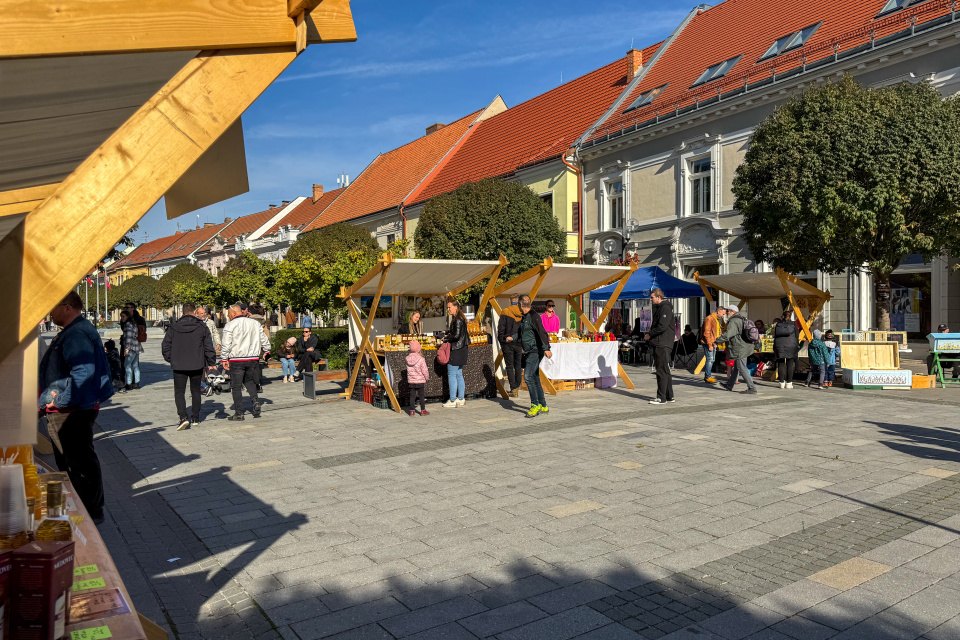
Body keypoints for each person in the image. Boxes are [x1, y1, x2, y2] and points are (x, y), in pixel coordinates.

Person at [39, 291, 113, 524]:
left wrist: (59, 401)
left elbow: (83, 373)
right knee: (75, 461)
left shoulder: (77, 333)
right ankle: (85, 509)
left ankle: (89, 513)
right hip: (71, 409)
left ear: (67, 307)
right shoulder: (75, 331)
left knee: (78, 463)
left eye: (53, 307)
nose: (50, 313)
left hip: (71, 411)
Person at [161, 303, 217, 430]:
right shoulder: (202, 326)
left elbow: (165, 346)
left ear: (182, 312)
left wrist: (171, 359)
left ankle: (183, 417)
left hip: (179, 364)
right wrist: (211, 362)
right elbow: (209, 346)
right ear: (194, 312)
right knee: (196, 390)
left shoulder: (174, 327)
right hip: (197, 363)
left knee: (179, 392)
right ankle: (196, 417)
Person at [221, 304, 271, 420]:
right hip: (253, 358)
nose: (228, 316)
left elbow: (226, 344)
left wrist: (224, 359)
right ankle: (255, 401)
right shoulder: (255, 323)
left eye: (229, 314)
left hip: (237, 359)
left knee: (236, 386)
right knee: (249, 381)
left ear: (234, 313)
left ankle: (239, 413)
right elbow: (264, 339)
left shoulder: (230, 325)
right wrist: (267, 350)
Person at [518, 295, 552, 417]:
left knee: (527, 376)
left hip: (535, 351)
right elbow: (523, 333)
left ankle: (535, 404)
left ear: (521, 305)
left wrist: (547, 348)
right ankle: (543, 405)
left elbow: (542, 332)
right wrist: (511, 337)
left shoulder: (533, 316)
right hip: (529, 351)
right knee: (535, 377)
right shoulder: (525, 317)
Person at [644, 288, 676, 404]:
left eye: (652, 297)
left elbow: (662, 326)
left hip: (662, 343)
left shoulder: (665, 307)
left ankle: (661, 397)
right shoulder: (660, 308)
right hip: (662, 342)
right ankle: (669, 396)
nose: (650, 299)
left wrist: (650, 335)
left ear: (658, 297)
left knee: (661, 370)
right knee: (665, 370)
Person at [720, 305, 757, 394]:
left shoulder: (734, 321)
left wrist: (718, 340)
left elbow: (730, 333)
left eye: (728, 311)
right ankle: (729, 385)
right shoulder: (742, 319)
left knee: (742, 368)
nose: (727, 313)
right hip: (744, 346)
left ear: (733, 312)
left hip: (740, 348)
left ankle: (752, 388)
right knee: (737, 367)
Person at [442, 299, 469, 408]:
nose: (448, 309)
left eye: (449, 307)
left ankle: (453, 400)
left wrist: (446, 338)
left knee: (452, 374)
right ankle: (461, 399)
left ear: (456, 307)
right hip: (462, 349)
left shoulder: (457, 319)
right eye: (447, 307)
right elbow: (458, 334)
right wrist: (448, 333)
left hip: (457, 349)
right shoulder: (460, 318)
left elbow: (456, 336)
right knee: (458, 374)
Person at [496, 294, 523, 397]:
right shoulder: (522, 312)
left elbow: (501, 329)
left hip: (507, 343)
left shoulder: (505, 311)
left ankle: (513, 389)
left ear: (510, 301)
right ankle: (517, 386)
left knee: (510, 366)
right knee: (518, 365)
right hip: (519, 343)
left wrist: (502, 341)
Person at [698, 306, 727, 384]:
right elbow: (706, 333)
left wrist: (716, 343)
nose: (723, 316)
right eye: (723, 314)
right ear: (719, 311)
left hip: (713, 342)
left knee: (712, 359)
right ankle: (708, 376)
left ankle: (708, 375)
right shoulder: (709, 319)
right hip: (709, 342)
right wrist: (710, 344)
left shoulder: (716, 319)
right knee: (710, 359)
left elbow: (716, 332)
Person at [773, 314, 802, 389]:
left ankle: (781, 382)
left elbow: (775, 335)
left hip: (779, 345)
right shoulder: (793, 325)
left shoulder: (778, 325)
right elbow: (797, 336)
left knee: (781, 363)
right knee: (790, 364)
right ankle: (789, 383)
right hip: (791, 345)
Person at [405, 339, 430, 416]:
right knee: (421, 396)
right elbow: (424, 370)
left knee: (412, 396)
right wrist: (427, 377)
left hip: (411, 381)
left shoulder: (407, 359)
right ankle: (423, 410)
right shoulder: (421, 359)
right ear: (419, 349)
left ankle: (412, 410)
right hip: (420, 381)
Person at [120, 310, 142, 391]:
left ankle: (128, 383)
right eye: (121, 316)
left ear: (127, 317)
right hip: (137, 346)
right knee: (135, 365)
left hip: (131, 347)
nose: (122, 318)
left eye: (123, 316)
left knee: (127, 365)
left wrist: (127, 349)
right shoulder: (134, 324)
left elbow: (129, 338)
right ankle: (137, 383)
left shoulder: (128, 325)